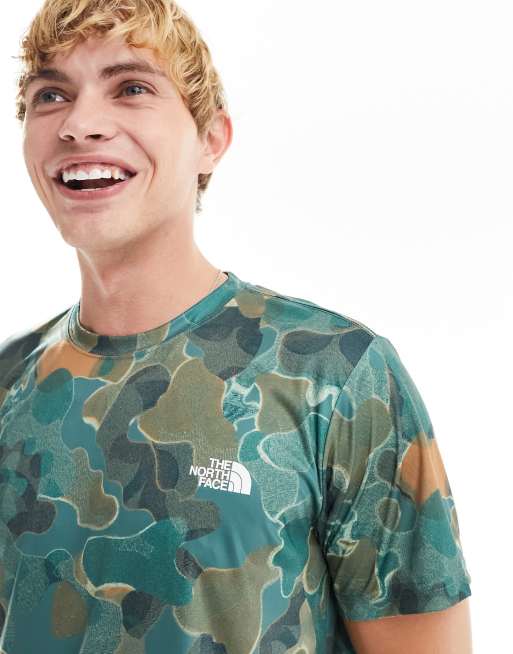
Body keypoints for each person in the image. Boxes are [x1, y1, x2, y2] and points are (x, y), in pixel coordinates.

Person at [0, 1, 472, 652]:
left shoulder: (334, 375)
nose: (80, 124)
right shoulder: (9, 381)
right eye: (50, 95)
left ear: (211, 140)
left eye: (131, 88)